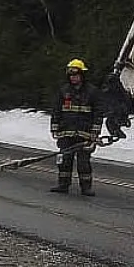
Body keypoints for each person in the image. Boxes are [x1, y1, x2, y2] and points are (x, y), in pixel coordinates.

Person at [49, 58, 104, 196]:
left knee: (83, 162)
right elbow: (56, 110)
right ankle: (63, 185)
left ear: (82, 75)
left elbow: (98, 113)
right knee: (64, 161)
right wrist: (55, 128)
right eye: (71, 75)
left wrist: (95, 132)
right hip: (66, 133)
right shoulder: (63, 91)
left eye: (76, 75)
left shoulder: (92, 92)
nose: (73, 78)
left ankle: (86, 187)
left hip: (85, 134)